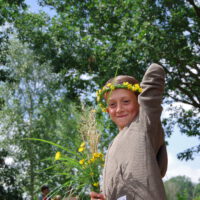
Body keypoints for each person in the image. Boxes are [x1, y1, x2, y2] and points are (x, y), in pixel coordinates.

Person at [90, 63, 168, 200]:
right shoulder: (112, 145)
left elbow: (155, 73)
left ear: (139, 102)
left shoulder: (144, 125)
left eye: (126, 101)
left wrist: (141, 93)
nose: (119, 109)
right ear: (107, 109)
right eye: (112, 104)